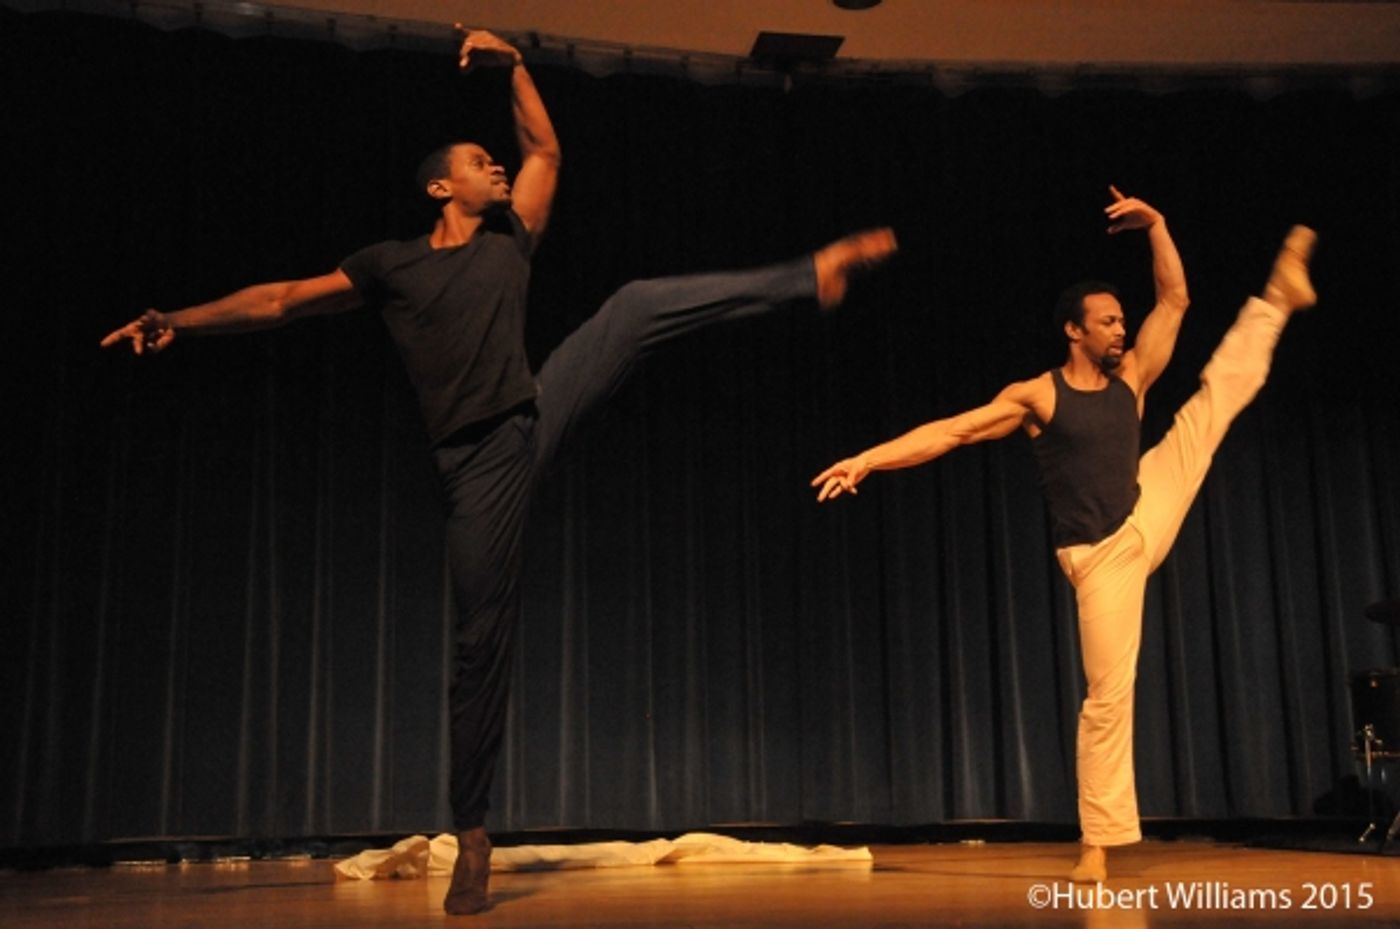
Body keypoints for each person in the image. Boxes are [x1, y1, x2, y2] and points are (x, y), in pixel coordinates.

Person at [102, 27, 896, 915]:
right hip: (476, 464)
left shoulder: (511, 240)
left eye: (496, 161)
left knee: (632, 307)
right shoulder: (392, 266)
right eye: (482, 163)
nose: (501, 171)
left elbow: (545, 147)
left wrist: (515, 66)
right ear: (443, 185)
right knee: (481, 642)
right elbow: (281, 300)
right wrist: (180, 317)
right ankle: (472, 831)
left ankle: (808, 272)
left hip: (535, 409)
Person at [812, 187, 1316, 883]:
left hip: (1146, 505)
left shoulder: (1133, 377)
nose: (1120, 329)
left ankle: (1278, 299)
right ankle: (1098, 843)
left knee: (1211, 405)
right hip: (1102, 556)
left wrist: (1160, 225)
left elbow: (1174, 302)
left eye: (1120, 320)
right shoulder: (1039, 395)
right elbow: (952, 431)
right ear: (1074, 331)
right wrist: (868, 457)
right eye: (1107, 321)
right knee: (1108, 696)